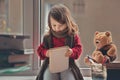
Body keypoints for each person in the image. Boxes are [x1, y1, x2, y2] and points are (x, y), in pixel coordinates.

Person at [36, 4, 84, 80]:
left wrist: (72, 51)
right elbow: (40, 50)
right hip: (51, 65)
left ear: (67, 23)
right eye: (54, 25)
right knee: (49, 78)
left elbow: (78, 49)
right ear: (50, 24)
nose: (57, 28)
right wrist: (46, 53)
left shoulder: (72, 36)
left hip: (68, 65)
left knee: (69, 78)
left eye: (60, 25)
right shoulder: (47, 37)